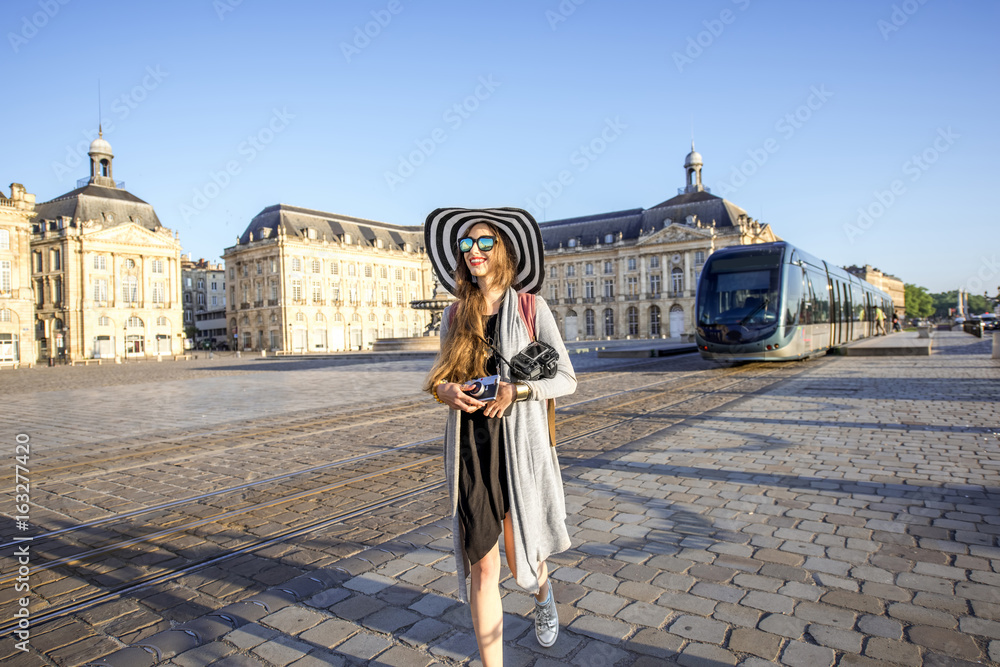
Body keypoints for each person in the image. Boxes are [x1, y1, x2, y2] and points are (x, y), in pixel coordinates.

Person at [423, 208, 577, 666]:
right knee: (483, 567)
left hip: (521, 449)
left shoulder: (531, 307)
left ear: (503, 250)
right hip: (473, 450)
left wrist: (518, 390)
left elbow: (567, 378)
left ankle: (543, 596)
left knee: (521, 558)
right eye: (467, 245)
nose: (474, 251)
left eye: (484, 242)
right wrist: (444, 390)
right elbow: (438, 378)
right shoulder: (454, 314)